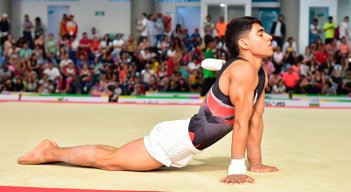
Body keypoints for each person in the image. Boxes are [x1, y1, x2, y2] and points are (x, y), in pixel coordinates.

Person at [18, 16, 278, 184]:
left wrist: (255, 163)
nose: (269, 37)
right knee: (109, 162)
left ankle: (52, 149)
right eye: (261, 33)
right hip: (175, 141)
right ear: (243, 43)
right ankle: (49, 152)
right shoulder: (243, 70)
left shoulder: (258, 73)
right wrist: (235, 169)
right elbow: (241, 122)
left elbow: (256, 120)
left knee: (115, 155)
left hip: (184, 140)